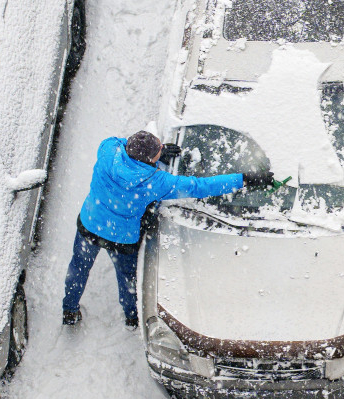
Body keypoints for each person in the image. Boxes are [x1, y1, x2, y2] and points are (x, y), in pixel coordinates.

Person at [62, 130, 274, 328]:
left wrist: (152, 154)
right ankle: (132, 317)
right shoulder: (155, 181)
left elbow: (119, 142)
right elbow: (198, 187)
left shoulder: (107, 151)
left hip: (89, 224)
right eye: (157, 154)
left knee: (78, 269)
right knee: (127, 280)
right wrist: (244, 179)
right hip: (121, 238)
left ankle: (69, 311)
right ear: (149, 160)